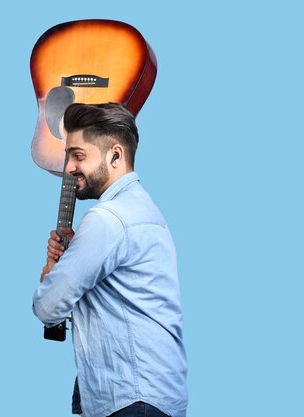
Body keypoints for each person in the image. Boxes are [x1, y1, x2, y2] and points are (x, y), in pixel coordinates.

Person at [32, 103, 188, 417]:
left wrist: (53, 270)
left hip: (130, 399)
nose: (69, 168)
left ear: (114, 155)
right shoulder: (141, 208)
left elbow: (48, 307)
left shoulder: (107, 219)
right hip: (152, 395)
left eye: (78, 155)